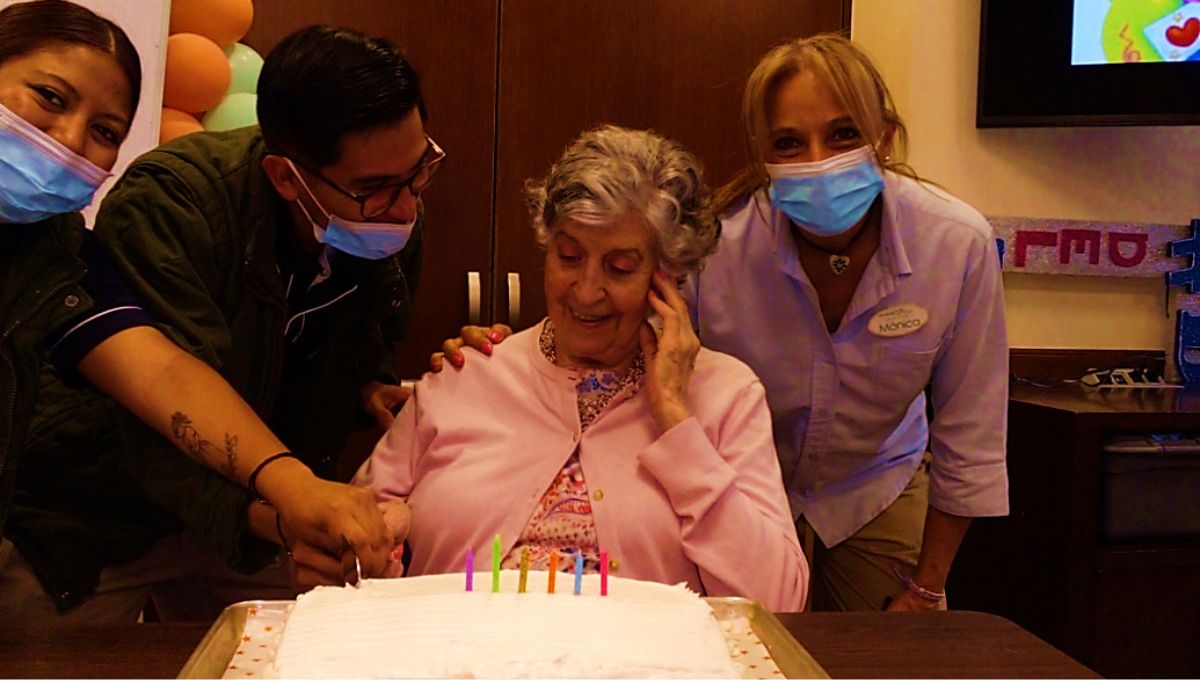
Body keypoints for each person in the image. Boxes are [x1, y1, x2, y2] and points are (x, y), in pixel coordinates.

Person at [438, 34, 1008, 612]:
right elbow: (620, 334)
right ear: (763, 152)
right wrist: (505, 365)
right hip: (739, 477)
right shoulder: (719, 248)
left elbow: (972, 441)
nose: (817, 161)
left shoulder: (956, 245)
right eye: (789, 142)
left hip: (872, 484)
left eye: (843, 134)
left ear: (883, 134)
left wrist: (927, 588)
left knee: (886, 659)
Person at [2, 18, 428, 621]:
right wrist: (285, 502)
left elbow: (157, 371)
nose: (68, 142)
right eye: (48, 98)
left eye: (104, 131)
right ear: (286, 177)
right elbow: (147, 424)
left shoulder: (54, 250)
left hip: (243, 520)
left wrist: (300, 483)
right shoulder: (175, 204)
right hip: (93, 520)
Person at [355, 125, 808, 612]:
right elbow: (349, 543)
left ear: (670, 274)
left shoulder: (726, 394)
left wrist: (677, 421)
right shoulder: (468, 372)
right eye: (569, 256)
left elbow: (777, 601)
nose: (587, 291)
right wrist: (379, 542)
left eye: (619, 267)